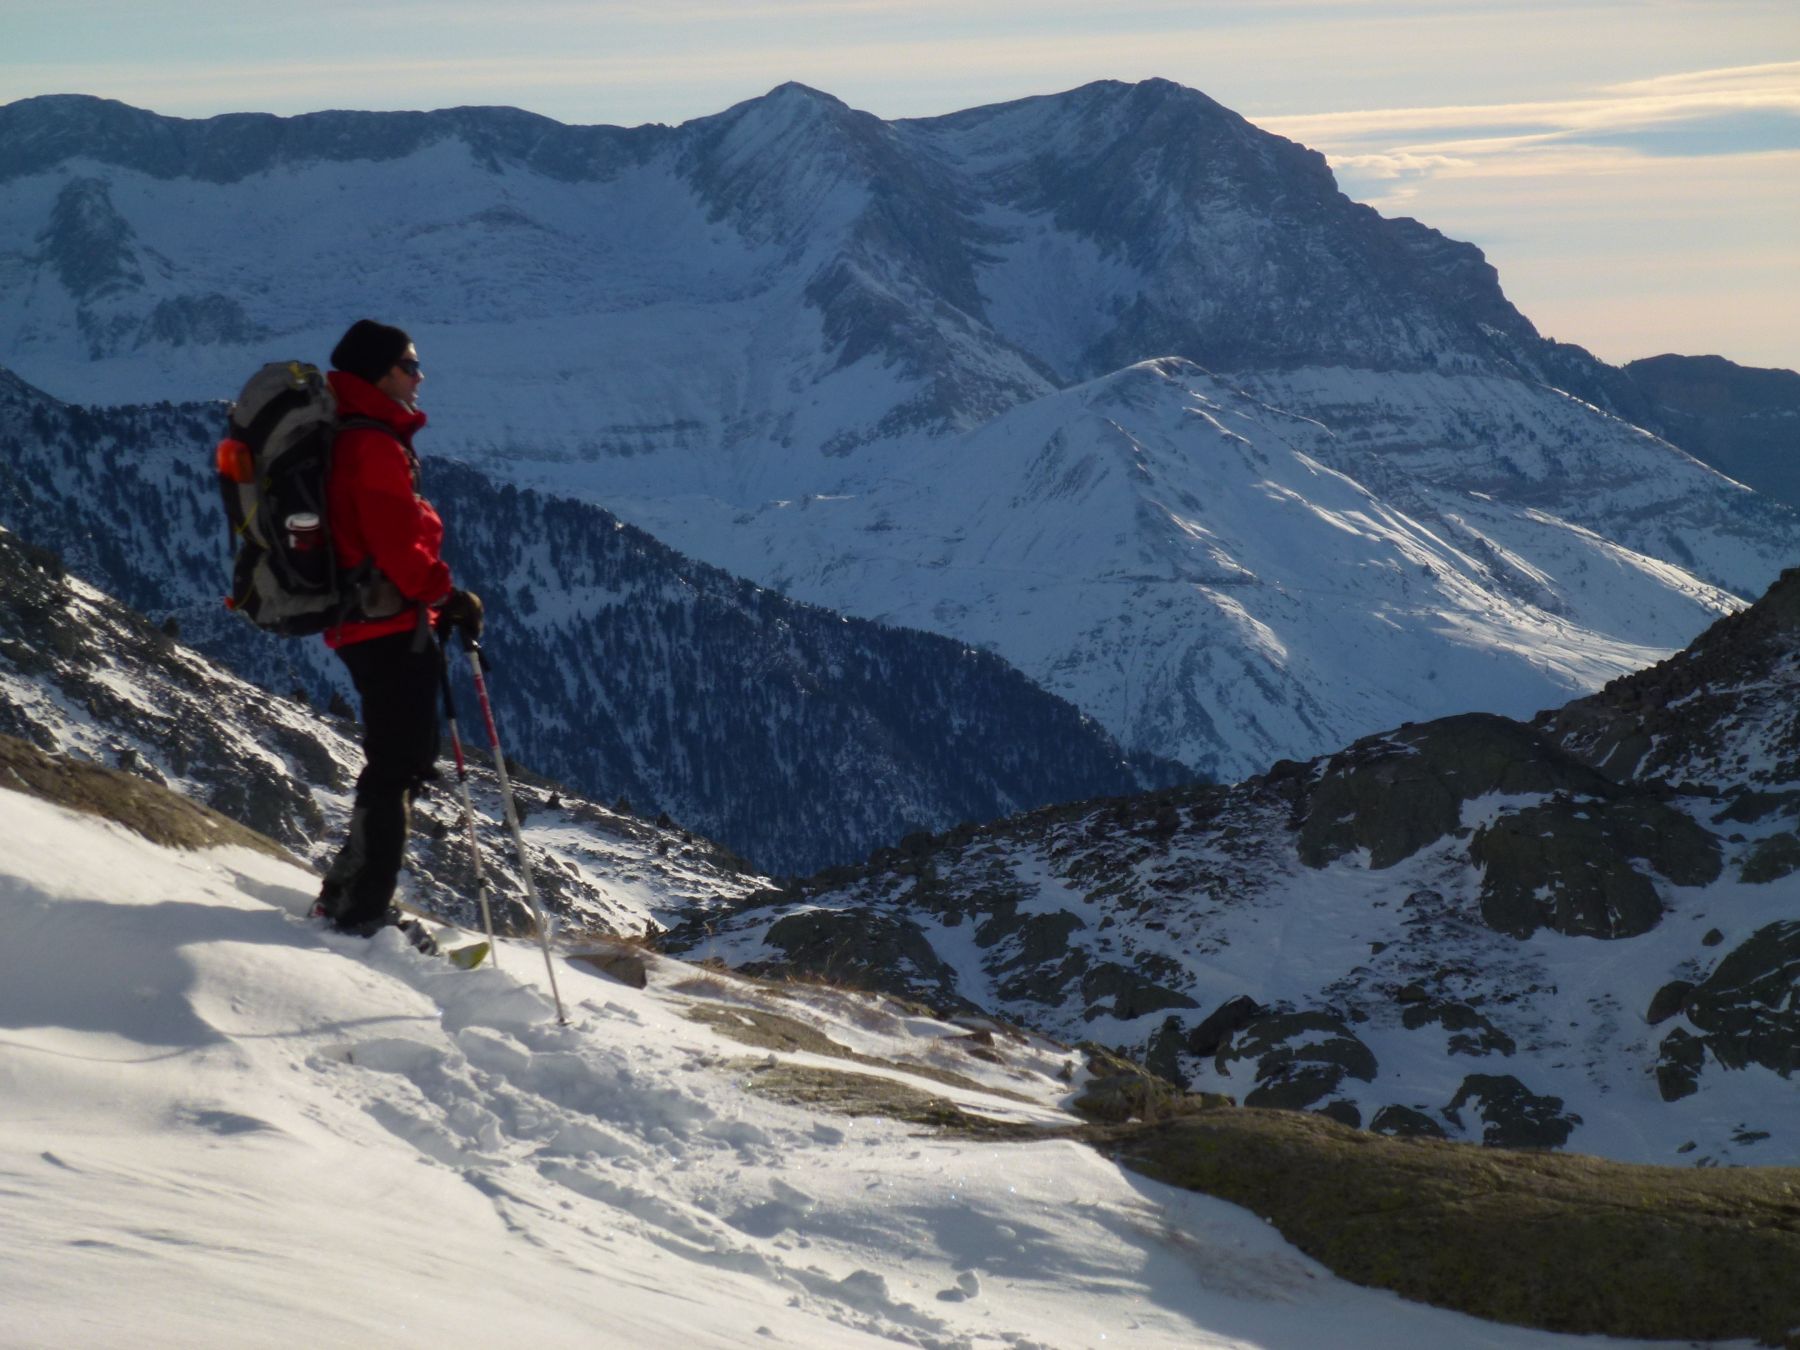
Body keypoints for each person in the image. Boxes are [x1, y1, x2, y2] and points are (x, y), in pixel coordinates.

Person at [315, 319, 482, 937]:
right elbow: (396, 544)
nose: (419, 376)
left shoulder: (358, 435)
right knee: (400, 764)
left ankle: (350, 895)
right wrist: (446, 594)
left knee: (395, 761)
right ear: (380, 373)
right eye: (410, 365)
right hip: (386, 625)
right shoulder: (373, 445)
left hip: (372, 622)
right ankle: (360, 911)